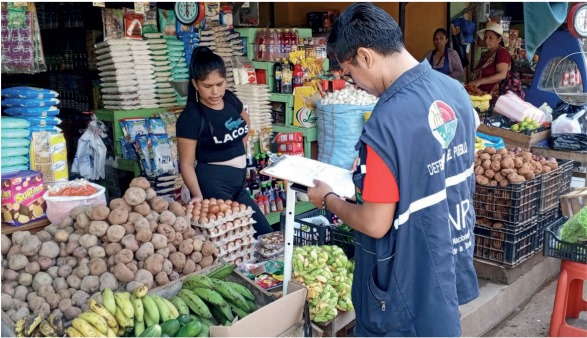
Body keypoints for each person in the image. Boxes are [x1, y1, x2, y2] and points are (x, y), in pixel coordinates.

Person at [307, 3, 479, 336]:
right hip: (448, 267)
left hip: (404, 296)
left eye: (350, 73)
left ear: (365, 56)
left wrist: (328, 199)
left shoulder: (387, 122)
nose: (356, 84)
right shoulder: (454, 92)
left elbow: (375, 222)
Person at [176, 46, 273, 237]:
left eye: (219, 84)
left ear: (226, 80)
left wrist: (238, 147)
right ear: (195, 84)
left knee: (265, 234)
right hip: (212, 185)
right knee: (234, 241)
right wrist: (197, 195)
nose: (215, 91)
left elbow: (246, 122)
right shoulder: (191, 117)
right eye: (207, 86)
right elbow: (186, 164)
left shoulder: (229, 99)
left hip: (238, 185)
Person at [469, 21, 512, 98]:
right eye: (485, 37)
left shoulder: (502, 53)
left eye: (490, 37)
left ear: (499, 39)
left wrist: (479, 81)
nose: (486, 40)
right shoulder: (486, 54)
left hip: (492, 98)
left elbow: (502, 75)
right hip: (480, 96)